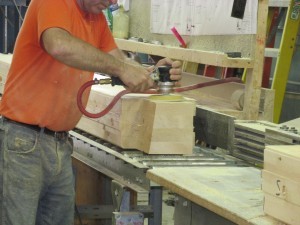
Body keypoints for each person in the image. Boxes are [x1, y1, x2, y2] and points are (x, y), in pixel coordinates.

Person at [0, 0, 182, 224]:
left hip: (60, 144)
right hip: (25, 144)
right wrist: (123, 69)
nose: (113, 2)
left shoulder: (95, 17)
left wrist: (151, 74)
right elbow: (59, 45)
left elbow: (120, 62)